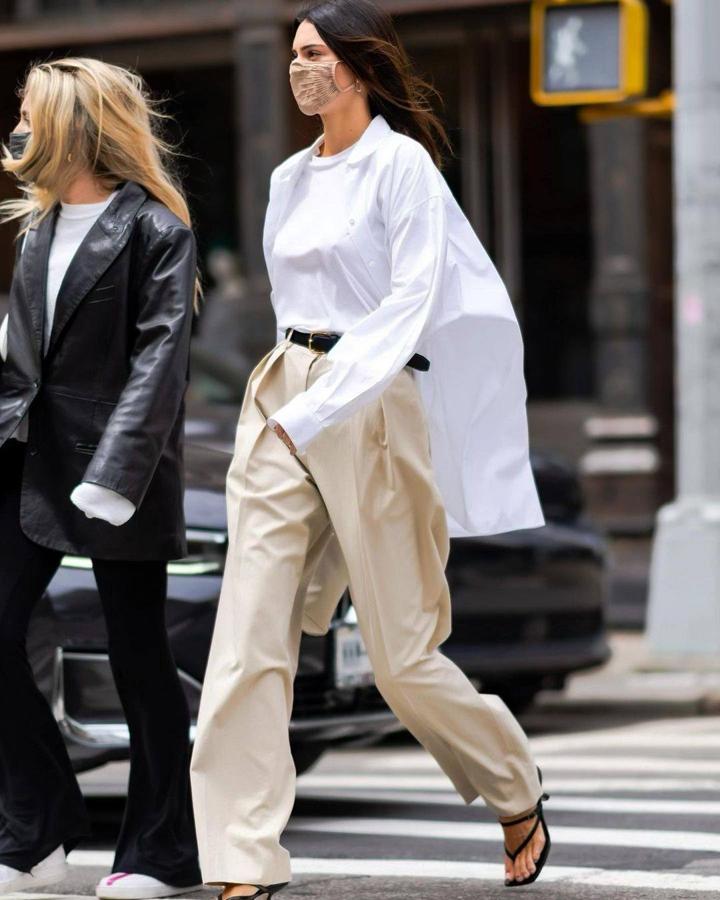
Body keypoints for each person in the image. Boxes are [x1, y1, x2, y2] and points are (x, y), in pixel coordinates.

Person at [190, 1, 551, 897]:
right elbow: (288, 302)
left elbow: (408, 306)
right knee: (247, 636)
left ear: (357, 65)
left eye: (314, 54)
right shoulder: (286, 178)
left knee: (401, 655)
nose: (298, 69)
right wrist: (285, 404)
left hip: (371, 401)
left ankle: (513, 784)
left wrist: (325, 408)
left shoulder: (403, 167)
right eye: (294, 54)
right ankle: (243, 859)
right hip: (283, 392)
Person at [0, 58, 202, 899]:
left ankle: (163, 852)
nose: (15, 125)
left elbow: (161, 362)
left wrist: (117, 472)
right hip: (30, 461)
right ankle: (41, 826)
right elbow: (21, 357)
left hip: (119, 465)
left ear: (73, 123)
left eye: (27, 111)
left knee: (138, 656)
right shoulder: (38, 228)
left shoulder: (156, 230)